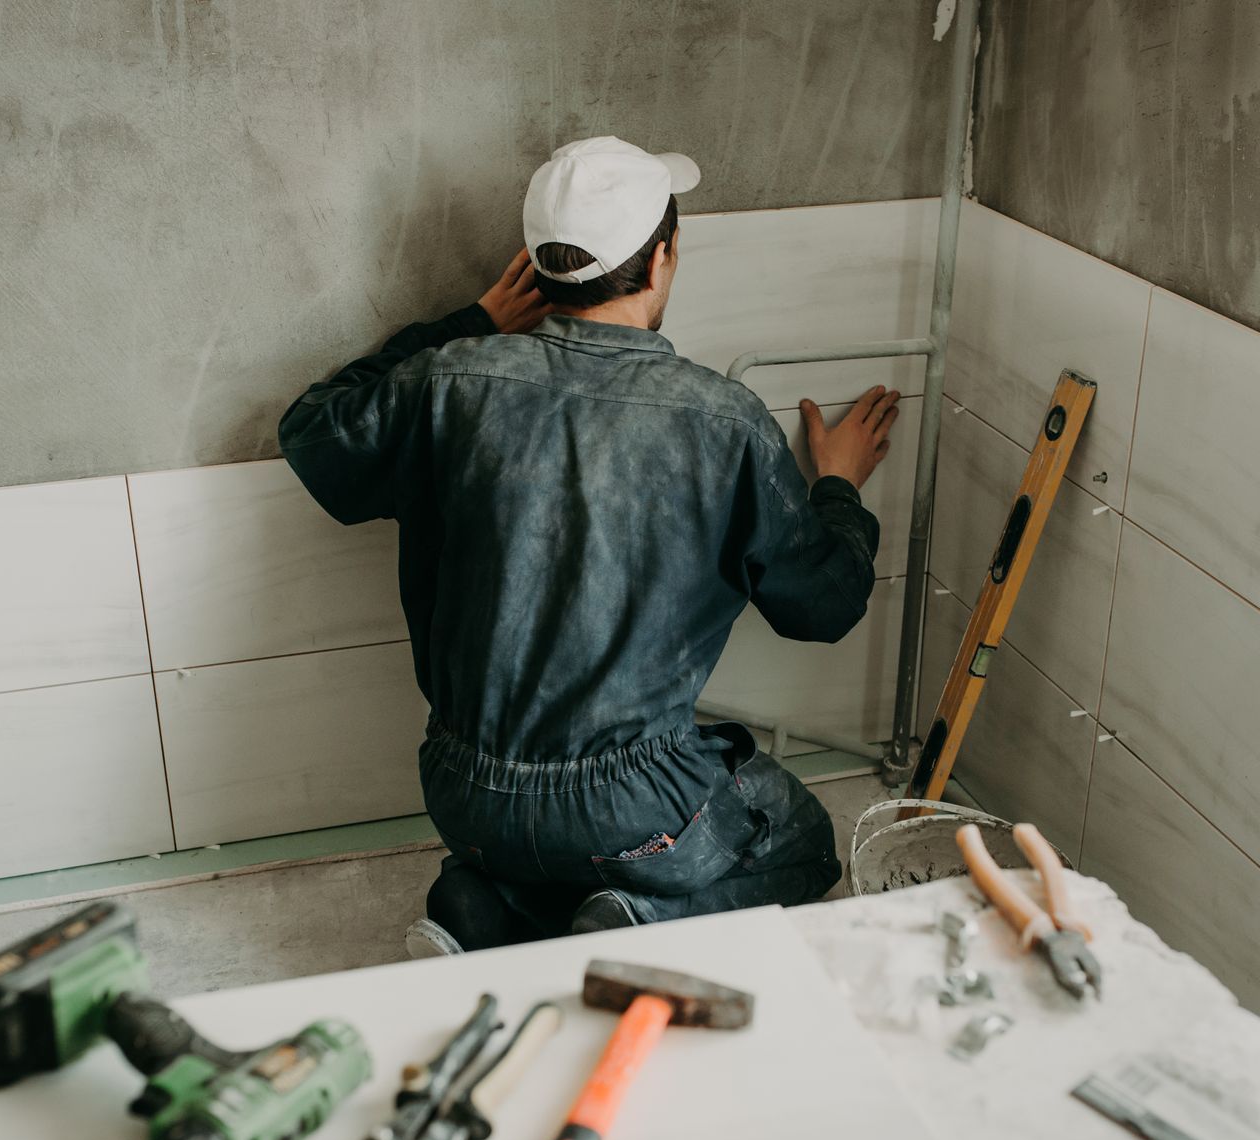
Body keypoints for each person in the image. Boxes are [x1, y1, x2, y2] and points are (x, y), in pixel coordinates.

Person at [279, 137, 899, 954]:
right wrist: (837, 488)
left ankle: (483, 905)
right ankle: (641, 917)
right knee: (800, 838)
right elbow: (825, 604)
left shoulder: (450, 382)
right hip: (632, 810)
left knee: (550, 843)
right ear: (664, 258)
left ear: (539, 266)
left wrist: (472, 321)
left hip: (465, 792)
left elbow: (313, 435)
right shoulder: (720, 421)